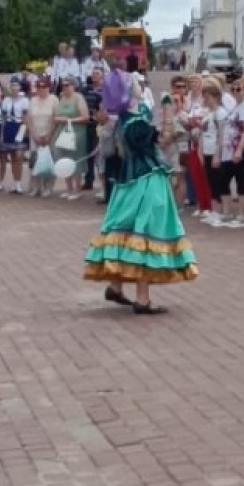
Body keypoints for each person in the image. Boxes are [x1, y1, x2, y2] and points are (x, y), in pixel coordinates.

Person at [84, 80, 198, 314]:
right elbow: (165, 140)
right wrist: (168, 112)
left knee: (124, 228)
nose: (136, 83)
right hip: (145, 180)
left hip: (129, 181)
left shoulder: (132, 115)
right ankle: (142, 299)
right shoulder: (133, 122)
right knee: (145, 232)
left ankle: (116, 286)